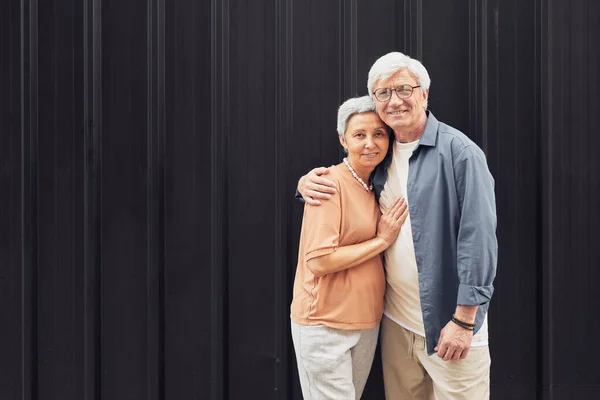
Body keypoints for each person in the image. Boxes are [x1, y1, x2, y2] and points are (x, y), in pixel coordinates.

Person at [297, 52, 498, 399]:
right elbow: (348, 185)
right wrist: (306, 186)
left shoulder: (460, 153)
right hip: (396, 325)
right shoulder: (382, 155)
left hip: (449, 327)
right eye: (383, 93)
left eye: (404, 88)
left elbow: (478, 242)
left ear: (425, 93)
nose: (395, 101)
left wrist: (464, 322)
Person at [290, 95, 408, 400]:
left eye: (378, 134)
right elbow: (320, 261)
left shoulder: (377, 183)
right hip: (326, 324)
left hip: (366, 322)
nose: (370, 143)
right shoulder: (328, 184)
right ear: (344, 140)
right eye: (359, 135)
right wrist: (381, 241)